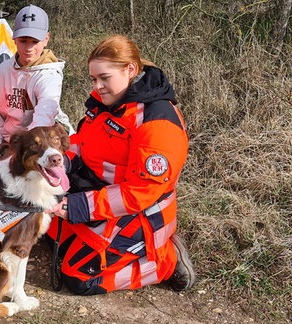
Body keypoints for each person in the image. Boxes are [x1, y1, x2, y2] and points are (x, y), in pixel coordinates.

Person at [45, 34, 196, 295]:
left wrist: (80, 206)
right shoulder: (111, 102)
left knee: (79, 277)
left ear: (130, 70)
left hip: (138, 214)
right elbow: (82, 142)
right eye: (94, 79)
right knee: (50, 232)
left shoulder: (156, 123)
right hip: (101, 195)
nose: (98, 86)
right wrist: (60, 164)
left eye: (105, 78)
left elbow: (140, 192)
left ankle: (165, 263)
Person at [0, 4, 74, 160]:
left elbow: (44, 116)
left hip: (41, 142)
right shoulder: (1, 72)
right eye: (23, 40)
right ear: (14, 38)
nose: (28, 48)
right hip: (11, 142)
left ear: (46, 39)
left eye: (34, 41)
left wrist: (23, 151)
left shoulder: (49, 76)